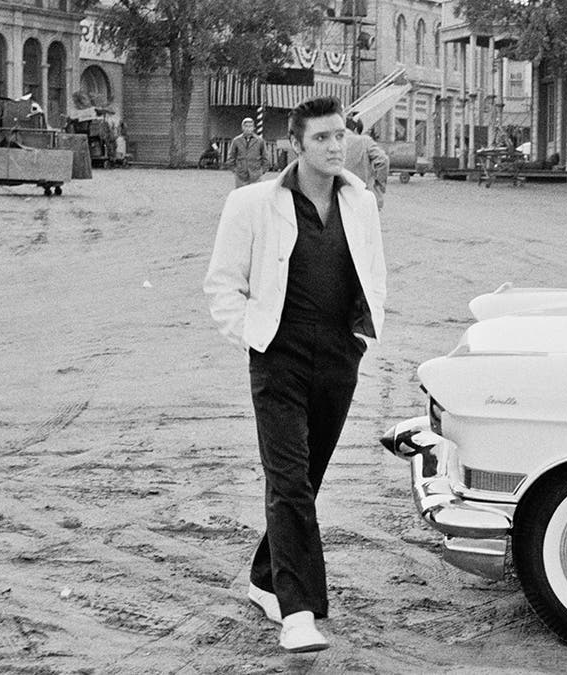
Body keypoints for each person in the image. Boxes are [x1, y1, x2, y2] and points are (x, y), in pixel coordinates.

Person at [203, 96, 386, 653]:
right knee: (287, 481)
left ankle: (265, 577)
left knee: (307, 478)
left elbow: (371, 274)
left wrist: (356, 339)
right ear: (297, 145)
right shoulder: (252, 203)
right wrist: (257, 338)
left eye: (340, 137)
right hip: (277, 356)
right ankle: (298, 611)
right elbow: (222, 285)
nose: (335, 147)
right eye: (322, 139)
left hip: (337, 354)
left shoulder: (361, 203)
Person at [343, 113, 389, 209]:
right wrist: (379, 186)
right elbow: (383, 160)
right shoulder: (364, 141)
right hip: (361, 195)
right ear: (356, 130)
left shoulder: (334, 141)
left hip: (338, 197)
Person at [228, 117, 268, 188]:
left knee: (255, 195)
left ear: (253, 128)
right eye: (246, 126)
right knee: (241, 195)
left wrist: (262, 171)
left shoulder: (260, 141)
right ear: (242, 128)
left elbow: (265, 158)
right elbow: (231, 157)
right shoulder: (236, 141)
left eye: (250, 126)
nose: (248, 128)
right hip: (241, 175)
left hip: (256, 175)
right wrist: (235, 170)